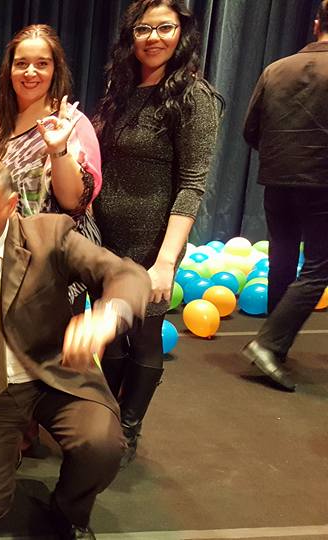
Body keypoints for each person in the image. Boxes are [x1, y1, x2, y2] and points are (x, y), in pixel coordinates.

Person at [0, 158, 150, 539]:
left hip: (55, 375)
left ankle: (69, 509)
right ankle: (6, 447)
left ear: (10, 206)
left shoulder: (50, 235)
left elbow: (125, 274)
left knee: (102, 445)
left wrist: (107, 316)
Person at [92, 0, 221, 465]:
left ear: (181, 32)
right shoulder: (122, 90)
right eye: (143, 29)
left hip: (152, 243)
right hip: (105, 240)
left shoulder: (194, 97)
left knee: (144, 336)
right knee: (112, 334)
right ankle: (106, 414)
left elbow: (192, 185)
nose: (153, 38)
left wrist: (165, 261)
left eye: (164, 28)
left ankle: (129, 425)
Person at [241, 0, 328, 392]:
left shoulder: (275, 69)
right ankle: (269, 344)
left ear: (315, 24)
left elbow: (250, 129)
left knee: (283, 257)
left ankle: (274, 343)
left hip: (277, 179)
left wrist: (282, 156)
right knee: (320, 267)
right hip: (322, 182)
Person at [0, 24, 104, 303]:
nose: (30, 72)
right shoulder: (2, 123)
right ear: (9, 70)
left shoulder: (71, 123)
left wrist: (58, 149)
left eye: (41, 64)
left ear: (55, 70)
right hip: (11, 265)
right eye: (21, 64)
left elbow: (74, 201)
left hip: (56, 270)